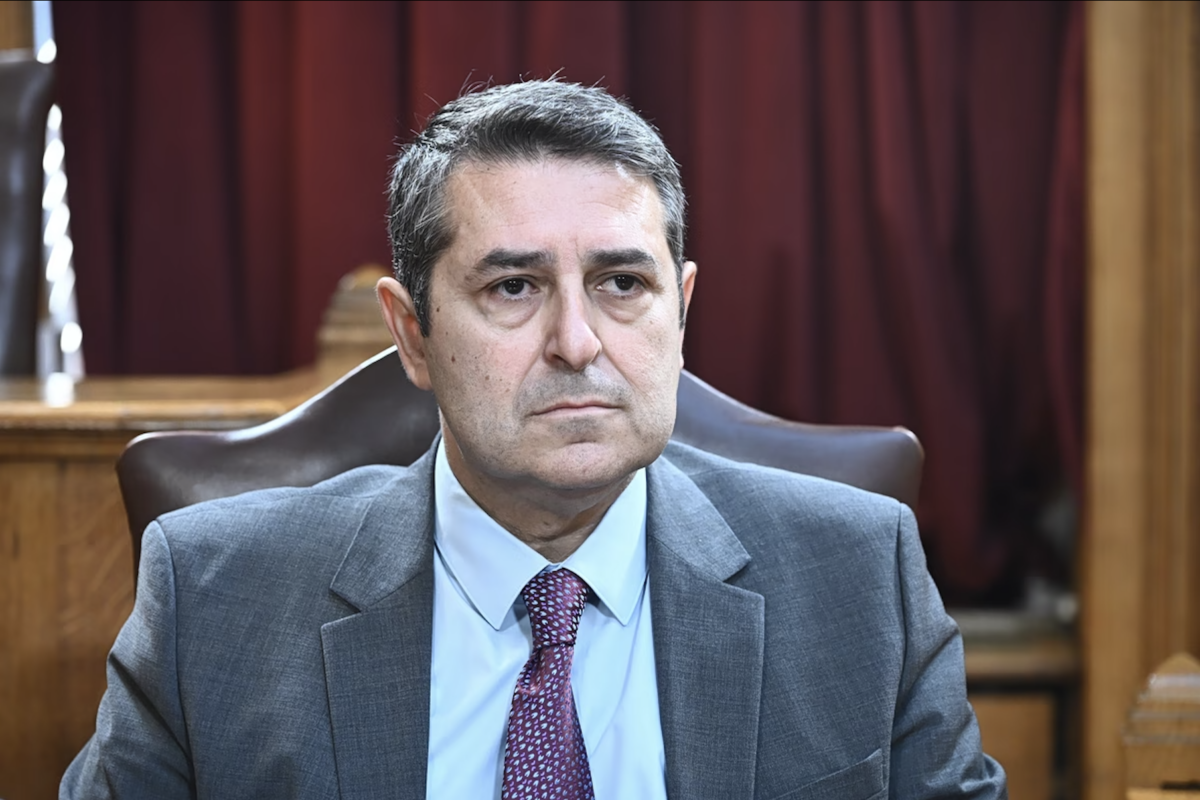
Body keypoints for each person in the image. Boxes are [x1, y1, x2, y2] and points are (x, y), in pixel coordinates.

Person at [61, 80, 1007, 799]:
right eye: (513, 287)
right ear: (413, 335)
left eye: (622, 284)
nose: (577, 342)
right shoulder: (213, 601)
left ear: (680, 311)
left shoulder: (860, 579)